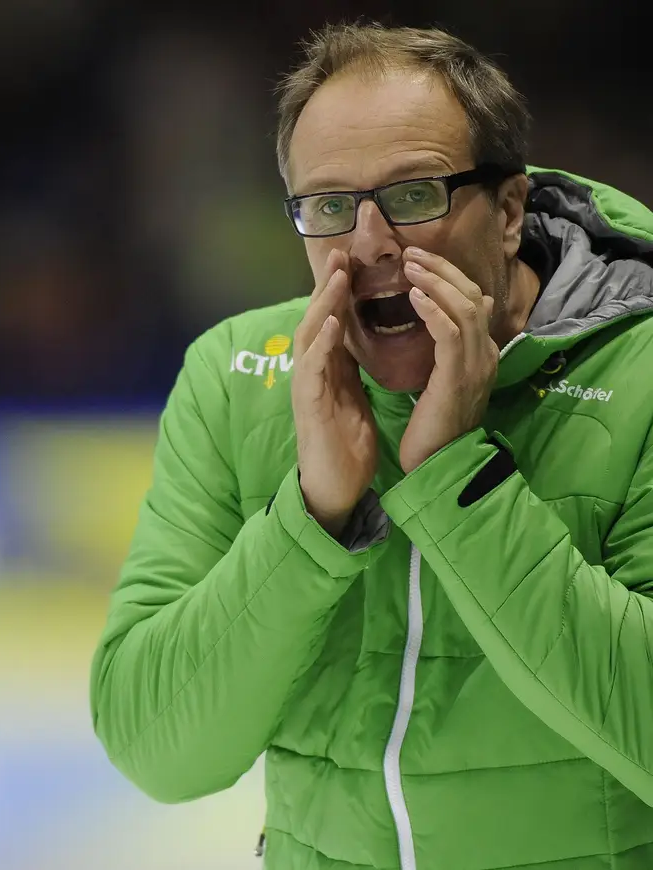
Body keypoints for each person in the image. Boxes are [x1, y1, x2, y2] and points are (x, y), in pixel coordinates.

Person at [90, 20, 653, 870]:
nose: (368, 244)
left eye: (414, 195)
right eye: (328, 206)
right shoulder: (235, 376)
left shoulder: (641, 375)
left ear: (508, 212)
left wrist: (459, 482)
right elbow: (156, 752)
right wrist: (312, 520)